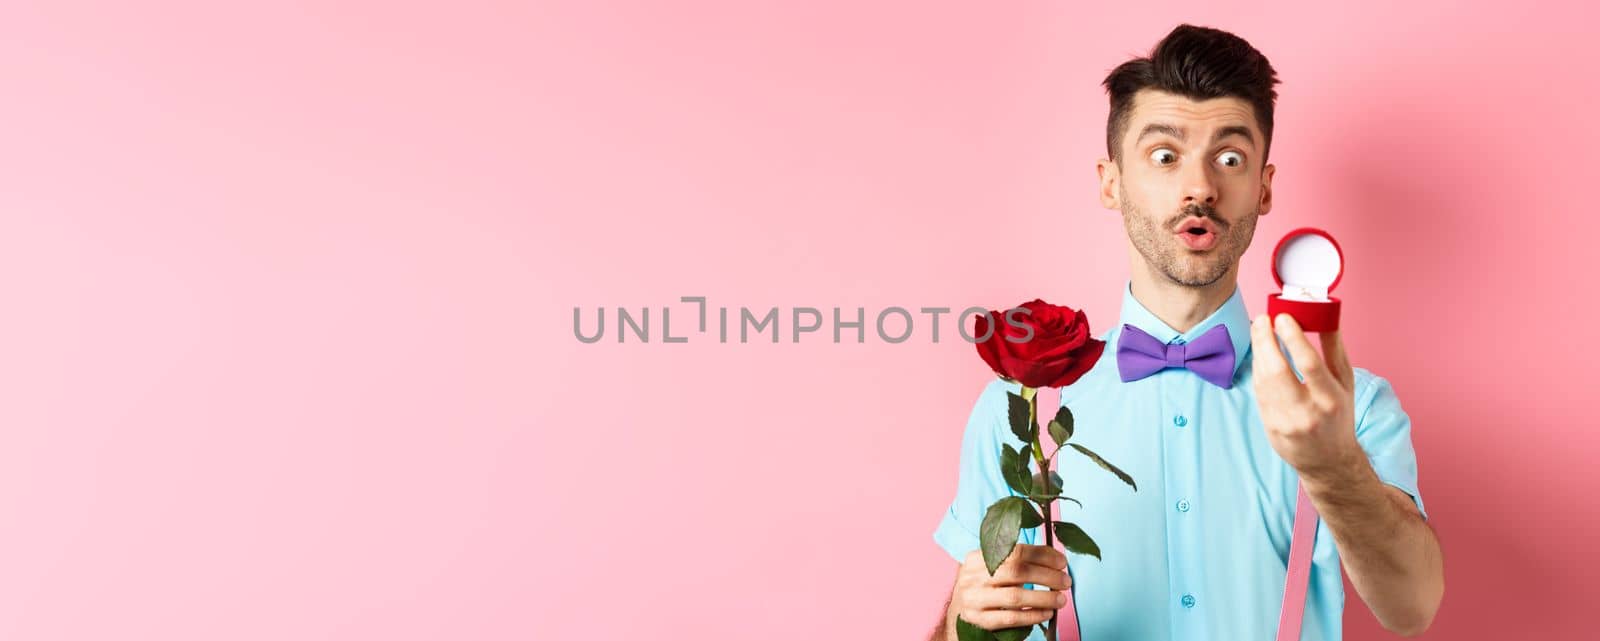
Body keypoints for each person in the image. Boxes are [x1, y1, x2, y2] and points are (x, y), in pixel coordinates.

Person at [929, 24, 1444, 641]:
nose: (1200, 186)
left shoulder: (1352, 407)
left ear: (1264, 187)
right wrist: (965, 623)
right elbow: (971, 625)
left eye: (1230, 158)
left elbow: (1412, 608)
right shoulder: (1021, 410)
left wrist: (1334, 467)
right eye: (1165, 156)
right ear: (1111, 181)